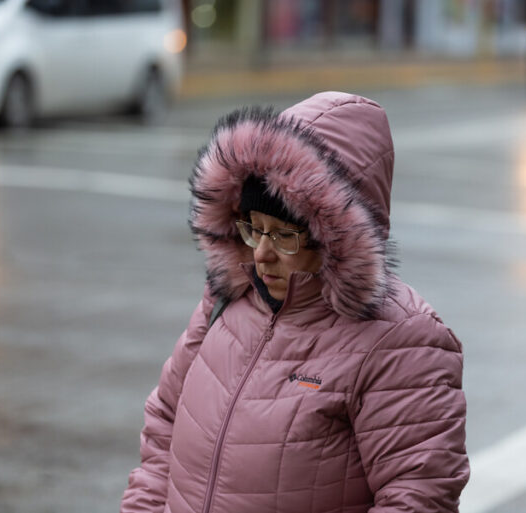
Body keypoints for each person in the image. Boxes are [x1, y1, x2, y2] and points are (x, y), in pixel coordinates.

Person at [121, 92, 469, 513]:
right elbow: (165, 425)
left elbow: (418, 497)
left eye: (284, 235)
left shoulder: (402, 343)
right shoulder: (227, 301)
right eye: (254, 228)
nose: (262, 253)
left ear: (338, 239)